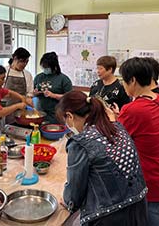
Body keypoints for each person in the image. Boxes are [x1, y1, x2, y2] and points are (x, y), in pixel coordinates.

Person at [55, 91, 148, 226]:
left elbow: (75, 191)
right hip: (139, 207)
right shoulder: (116, 127)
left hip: (110, 216)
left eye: (66, 122)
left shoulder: (81, 142)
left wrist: (68, 201)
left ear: (69, 116)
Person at [116, 57, 159, 226]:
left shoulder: (132, 109)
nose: (123, 86)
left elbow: (115, 143)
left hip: (155, 186)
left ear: (132, 80)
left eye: (124, 81)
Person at [34, 52, 72, 124]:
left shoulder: (63, 79)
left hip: (56, 115)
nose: (45, 69)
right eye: (43, 67)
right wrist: (35, 93)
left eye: (47, 67)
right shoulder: (38, 77)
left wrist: (54, 95)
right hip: (39, 113)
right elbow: (32, 94)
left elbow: (69, 98)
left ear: (54, 66)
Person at [3, 47, 34, 124]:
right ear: (15, 58)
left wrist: (30, 100)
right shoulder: (4, 71)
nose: (24, 64)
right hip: (4, 109)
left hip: (21, 110)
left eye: (26, 62)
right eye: (22, 61)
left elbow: (29, 94)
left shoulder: (27, 75)